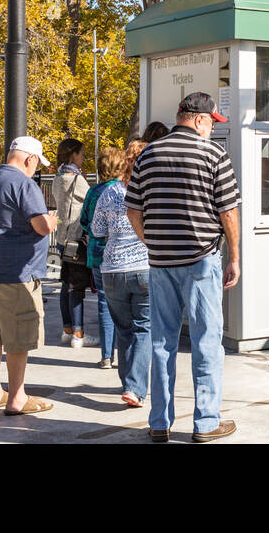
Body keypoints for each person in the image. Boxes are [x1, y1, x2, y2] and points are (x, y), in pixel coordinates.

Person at [127, 93, 241, 443]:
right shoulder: (213, 154)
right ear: (199, 119)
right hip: (202, 260)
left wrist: (152, 242)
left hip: (160, 263)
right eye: (211, 123)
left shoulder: (148, 154)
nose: (211, 129)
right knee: (207, 341)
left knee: (162, 342)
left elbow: (133, 209)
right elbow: (227, 212)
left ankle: (159, 422)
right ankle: (206, 423)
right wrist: (234, 256)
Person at [0, 135, 57, 416]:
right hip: (17, 274)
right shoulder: (24, 184)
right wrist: (53, 220)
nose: (36, 169)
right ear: (29, 158)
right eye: (37, 164)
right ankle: (17, 397)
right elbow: (42, 226)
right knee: (18, 337)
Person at [92, 140, 159, 406]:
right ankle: (135, 388)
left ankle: (128, 384)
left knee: (123, 329)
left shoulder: (109, 192)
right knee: (144, 327)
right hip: (144, 267)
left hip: (112, 269)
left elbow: (97, 230)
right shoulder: (152, 190)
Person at [52, 138, 96, 348]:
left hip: (62, 238)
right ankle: (78, 334)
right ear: (73, 154)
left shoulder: (58, 177)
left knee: (65, 285)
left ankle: (67, 328)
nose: (83, 157)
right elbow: (91, 200)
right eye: (81, 154)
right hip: (76, 239)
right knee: (76, 287)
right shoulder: (77, 180)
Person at [78, 158, 119, 369]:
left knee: (104, 304)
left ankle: (106, 356)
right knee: (123, 307)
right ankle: (124, 354)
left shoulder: (93, 191)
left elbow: (84, 221)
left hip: (96, 253)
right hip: (119, 255)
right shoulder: (122, 190)